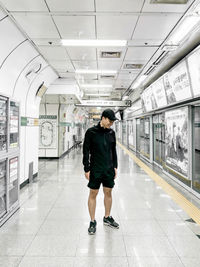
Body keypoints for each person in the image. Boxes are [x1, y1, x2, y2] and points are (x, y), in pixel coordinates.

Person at [83, 108, 119, 235]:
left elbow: (113, 151)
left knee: (108, 192)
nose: (111, 123)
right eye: (110, 120)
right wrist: (86, 168)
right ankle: (92, 221)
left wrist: (115, 166)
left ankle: (107, 217)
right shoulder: (91, 132)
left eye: (113, 121)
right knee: (93, 193)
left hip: (108, 168)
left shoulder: (111, 133)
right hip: (95, 169)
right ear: (103, 118)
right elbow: (86, 151)